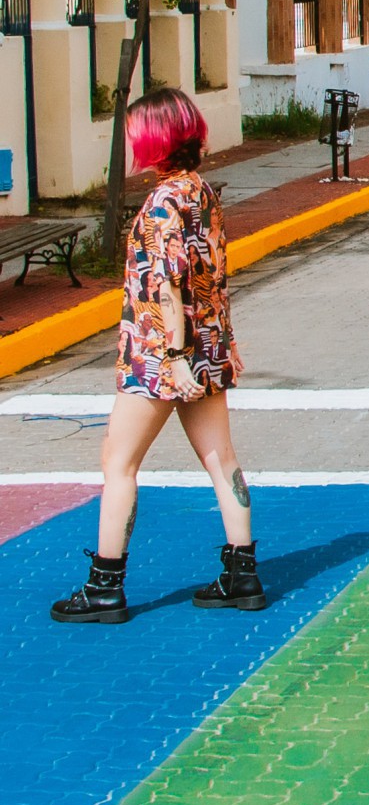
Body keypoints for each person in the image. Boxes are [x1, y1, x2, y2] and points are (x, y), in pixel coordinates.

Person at [52, 87, 264, 624]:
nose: (127, 141)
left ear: (154, 139)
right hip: (209, 345)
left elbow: (168, 284)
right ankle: (243, 575)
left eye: (133, 133)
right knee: (223, 462)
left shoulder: (162, 202)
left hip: (159, 355)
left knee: (118, 464)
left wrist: (171, 357)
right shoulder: (201, 193)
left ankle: (105, 586)